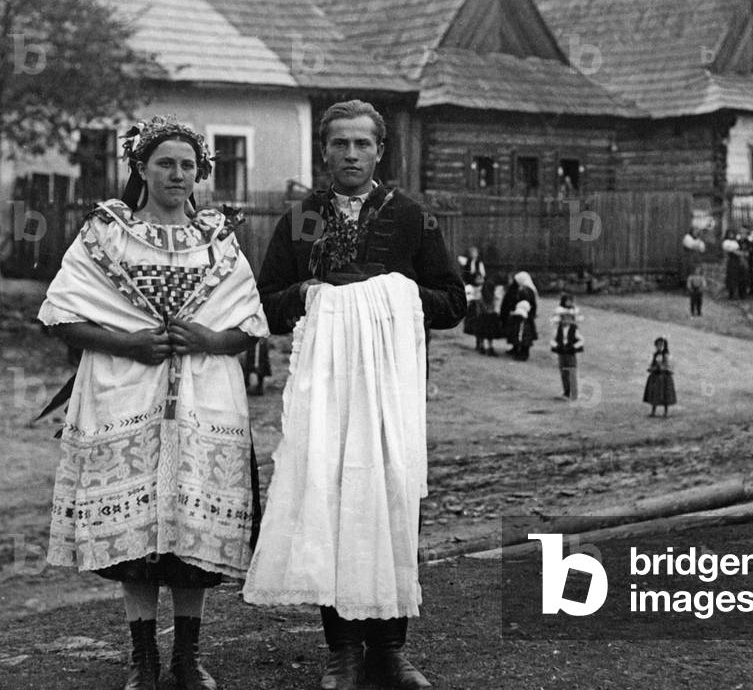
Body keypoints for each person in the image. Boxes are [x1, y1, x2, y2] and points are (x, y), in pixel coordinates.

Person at [38, 115, 269, 690]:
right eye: (165, 163)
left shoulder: (217, 242)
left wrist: (212, 340)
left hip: (203, 394)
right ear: (140, 168)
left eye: (188, 165)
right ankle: (144, 659)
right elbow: (61, 315)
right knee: (136, 533)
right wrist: (129, 343)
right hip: (124, 391)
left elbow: (250, 322)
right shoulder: (106, 236)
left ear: (200, 175)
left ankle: (187, 658)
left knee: (193, 526)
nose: (178, 174)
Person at [243, 100, 465, 690]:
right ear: (324, 151)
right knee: (331, 502)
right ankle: (342, 650)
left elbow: (453, 302)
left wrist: (394, 294)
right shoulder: (302, 219)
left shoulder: (412, 217)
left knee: (391, 499)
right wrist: (313, 292)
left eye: (361, 144)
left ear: (379, 151)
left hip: (392, 390)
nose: (350, 154)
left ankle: (390, 650)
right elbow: (266, 301)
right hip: (325, 389)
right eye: (339, 144)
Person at [550, 305, 583, 400]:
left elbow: (581, 340)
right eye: (564, 318)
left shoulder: (574, 329)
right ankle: (566, 391)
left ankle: (574, 392)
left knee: (572, 371)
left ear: (572, 319)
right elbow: (553, 340)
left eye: (568, 318)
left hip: (570, 353)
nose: (566, 321)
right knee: (563, 372)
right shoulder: (558, 329)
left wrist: (574, 346)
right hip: (561, 352)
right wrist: (555, 345)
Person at [507, 270, 538, 360]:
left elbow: (530, 304)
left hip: (525, 317)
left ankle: (524, 353)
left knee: (524, 335)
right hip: (520, 315)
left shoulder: (527, 290)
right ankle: (516, 348)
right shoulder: (523, 289)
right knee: (518, 333)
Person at [643, 337, 677, 417]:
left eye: (661, 345)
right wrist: (653, 368)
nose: (660, 347)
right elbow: (650, 365)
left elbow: (670, 367)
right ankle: (653, 411)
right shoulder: (654, 355)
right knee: (654, 394)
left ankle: (665, 412)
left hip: (665, 378)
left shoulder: (667, 355)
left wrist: (664, 368)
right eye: (658, 345)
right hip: (655, 377)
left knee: (665, 394)